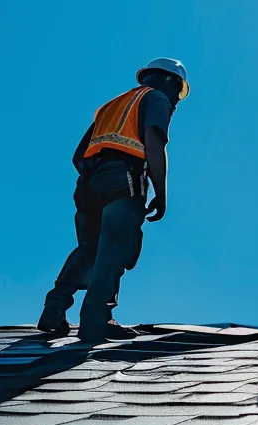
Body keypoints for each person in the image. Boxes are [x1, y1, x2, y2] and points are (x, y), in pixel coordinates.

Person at [38, 58, 188, 343]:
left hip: (89, 183)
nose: (177, 101)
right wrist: (161, 193)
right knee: (115, 248)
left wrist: (95, 180)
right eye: (178, 91)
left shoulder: (112, 106)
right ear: (169, 80)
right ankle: (97, 320)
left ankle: (54, 309)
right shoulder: (156, 99)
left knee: (89, 249)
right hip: (124, 179)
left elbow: (77, 155)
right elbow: (154, 144)